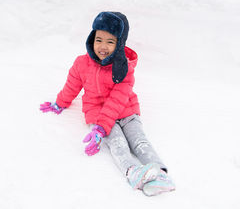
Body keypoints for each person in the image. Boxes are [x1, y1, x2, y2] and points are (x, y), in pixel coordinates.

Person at [40, 11, 175, 196]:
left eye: (110, 42)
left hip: (126, 110)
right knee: (118, 143)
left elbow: (118, 99)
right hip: (97, 113)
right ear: (91, 38)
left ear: (119, 44)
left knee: (139, 141)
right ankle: (133, 172)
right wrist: (60, 102)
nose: (102, 46)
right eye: (99, 39)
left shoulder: (123, 68)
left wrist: (102, 127)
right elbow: (72, 85)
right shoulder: (81, 64)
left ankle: (160, 174)